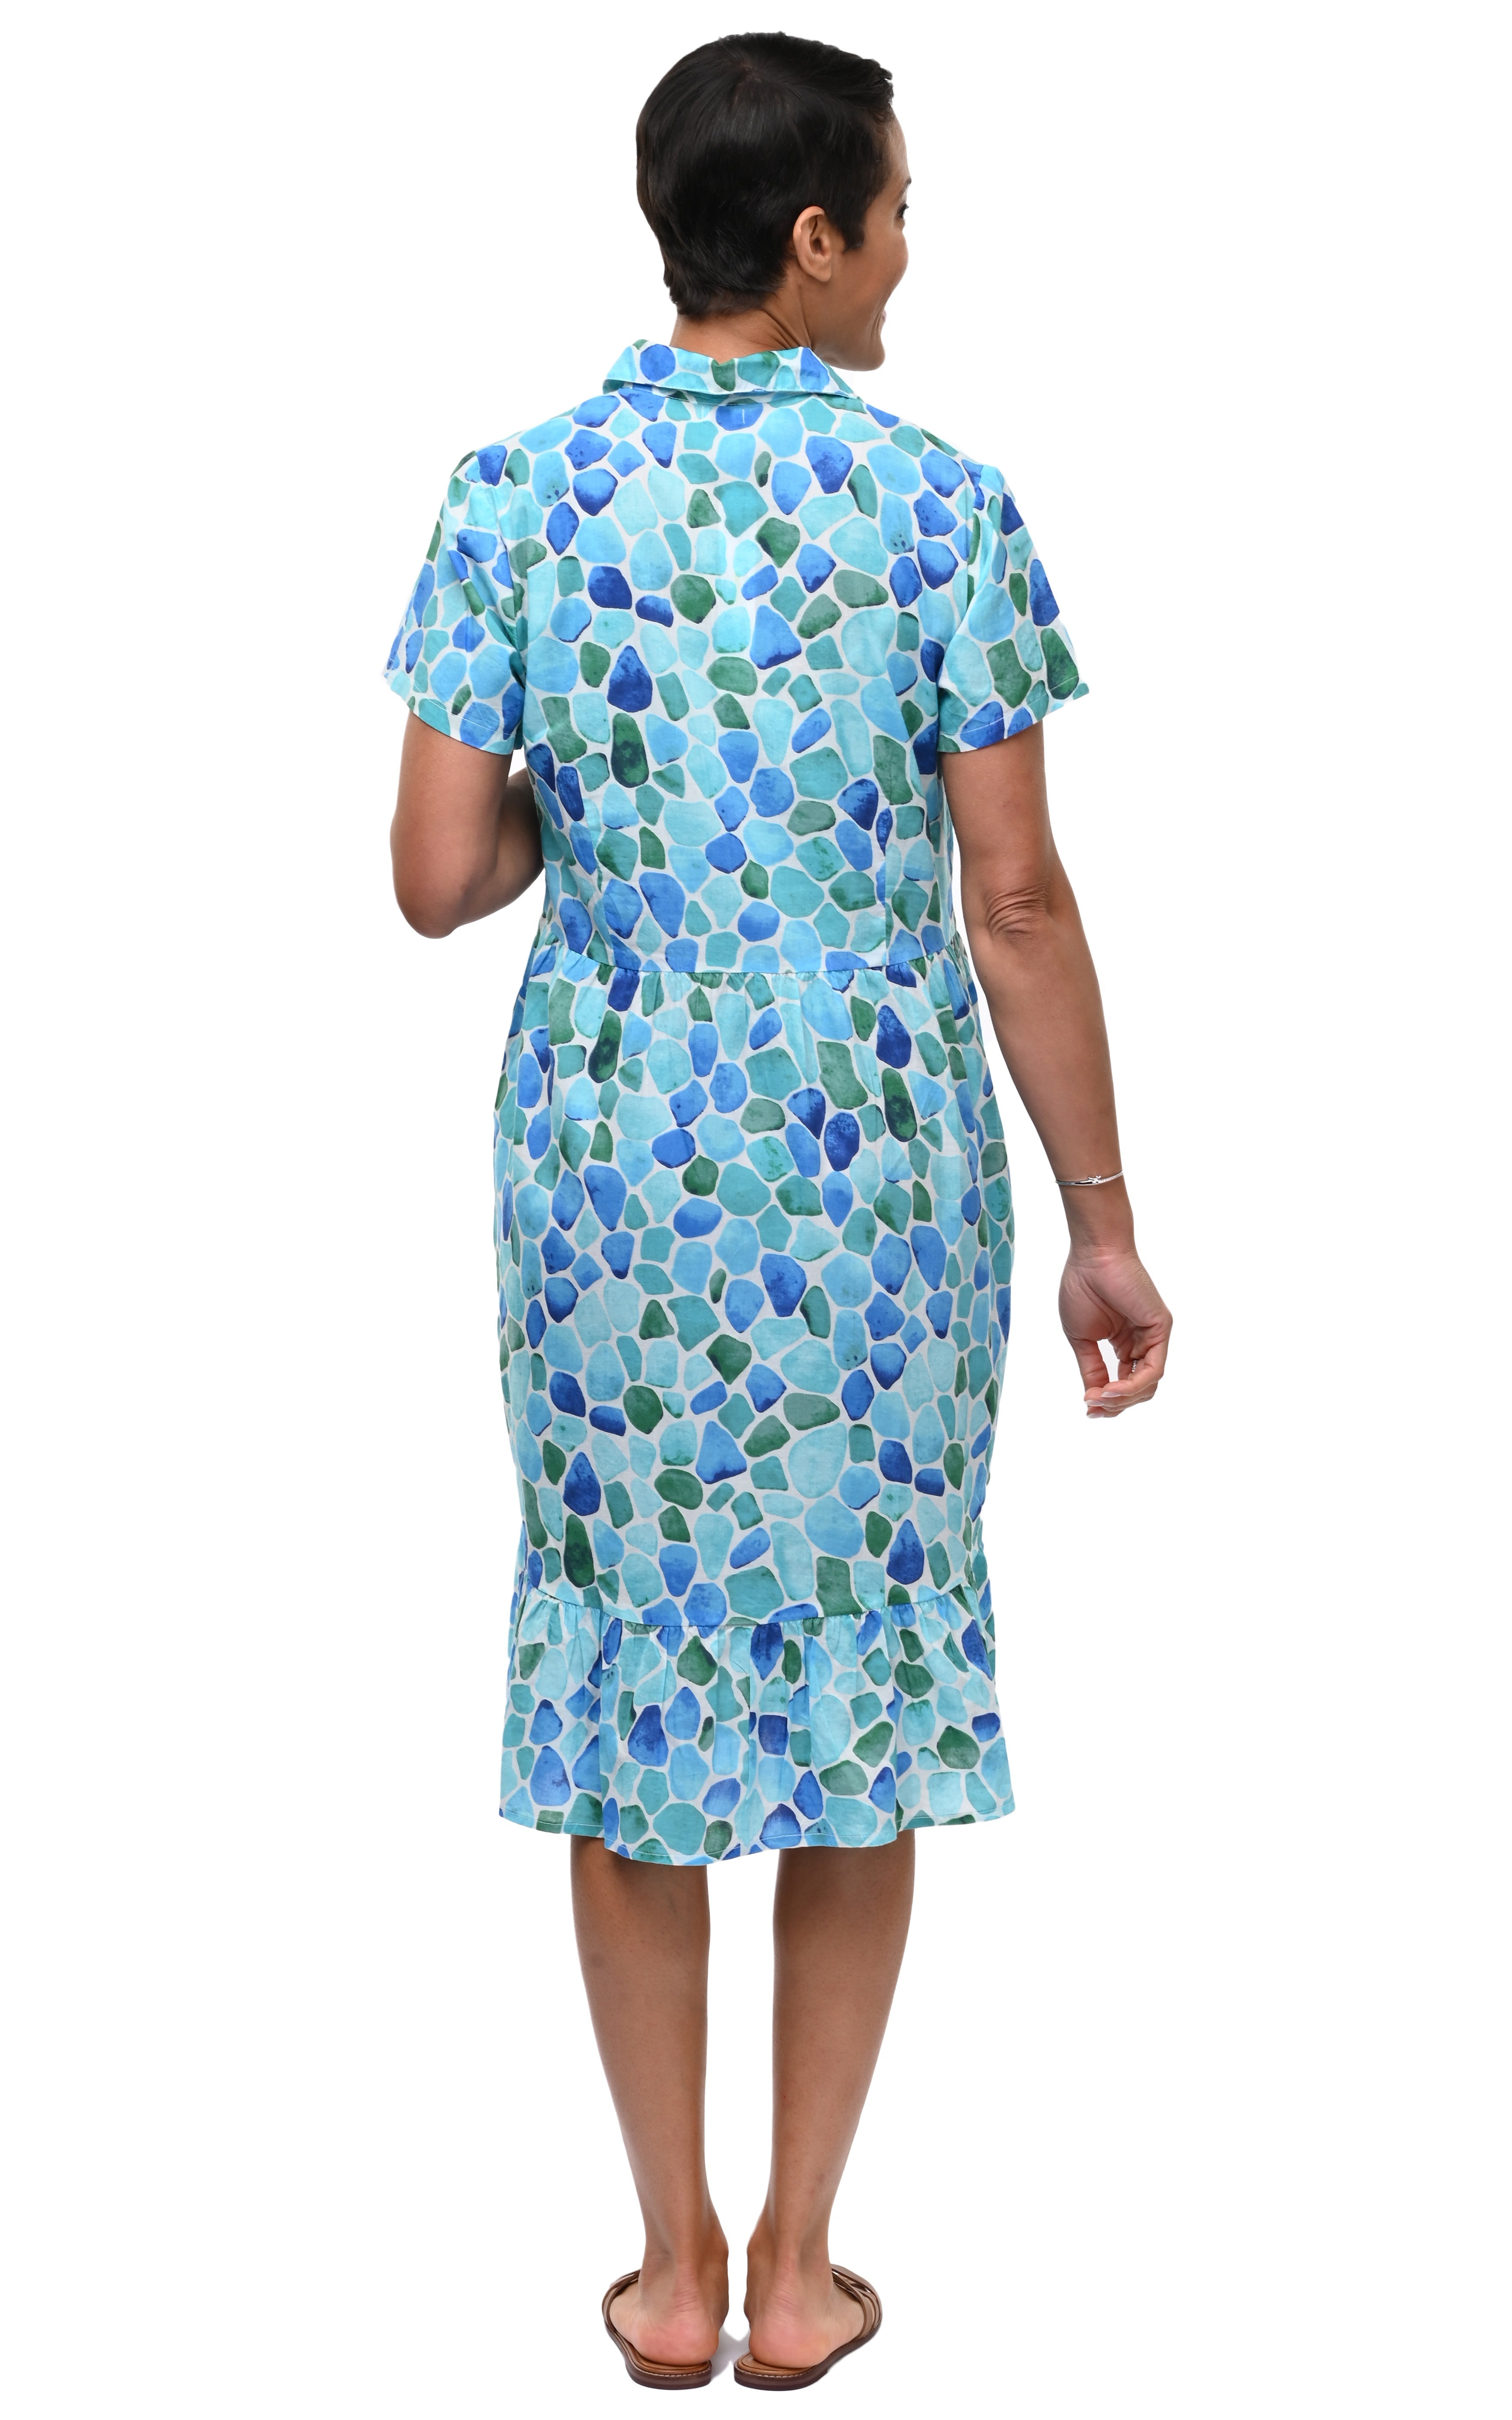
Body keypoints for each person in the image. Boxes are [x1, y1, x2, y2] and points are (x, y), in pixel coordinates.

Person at [385, 31, 1171, 2392]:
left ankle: (668, 2270)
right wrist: (1104, 1215)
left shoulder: (516, 495)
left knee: (629, 1654)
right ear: (812, 238)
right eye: (896, 213)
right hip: (872, 1163)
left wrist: (608, 815)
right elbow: (1015, 900)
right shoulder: (939, 506)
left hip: (613, 1161)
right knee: (859, 1664)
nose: (910, 252)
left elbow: (435, 875)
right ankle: (805, 2270)